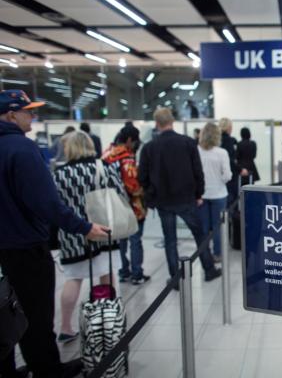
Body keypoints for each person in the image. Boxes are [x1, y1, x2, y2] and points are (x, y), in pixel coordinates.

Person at [0, 89, 107, 378]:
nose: (32, 116)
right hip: (25, 249)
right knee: (36, 316)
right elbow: (46, 202)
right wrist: (83, 227)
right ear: (11, 114)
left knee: (2, 317)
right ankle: (47, 370)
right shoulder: (21, 148)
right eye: (27, 111)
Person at [53, 131, 125, 343]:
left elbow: (54, 206)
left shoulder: (59, 174)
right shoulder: (103, 167)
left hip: (72, 234)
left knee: (73, 279)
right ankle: (107, 322)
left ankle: (65, 327)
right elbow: (119, 194)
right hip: (103, 231)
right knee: (106, 273)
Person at [138, 107, 221, 284]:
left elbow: (142, 177)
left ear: (157, 124)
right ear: (172, 121)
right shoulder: (188, 143)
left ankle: (176, 278)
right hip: (187, 199)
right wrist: (199, 194)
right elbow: (198, 171)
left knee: (170, 240)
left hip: (163, 201)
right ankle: (209, 269)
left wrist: (152, 194)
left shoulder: (149, 148)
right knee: (200, 235)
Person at [104, 124, 150, 285]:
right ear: (130, 140)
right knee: (135, 240)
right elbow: (132, 186)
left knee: (120, 241)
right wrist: (144, 191)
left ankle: (123, 271)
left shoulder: (107, 153)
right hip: (131, 207)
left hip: (113, 205)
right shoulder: (127, 157)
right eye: (135, 141)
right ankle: (137, 274)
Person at [197, 123, 232, 263]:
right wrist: (220, 180)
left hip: (202, 195)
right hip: (219, 194)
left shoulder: (196, 151)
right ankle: (218, 254)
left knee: (204, 228)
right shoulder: (222, 152)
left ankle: (206, 254)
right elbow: (228, 175)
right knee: (218, 227)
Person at [219, 118, 239, 205]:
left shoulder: (217, 140)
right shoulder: (229, 140)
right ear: (228, 127)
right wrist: (240, 169)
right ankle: (229, 217)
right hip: (229, 174)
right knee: (231, 198)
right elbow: (230, 159)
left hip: (219, 173)